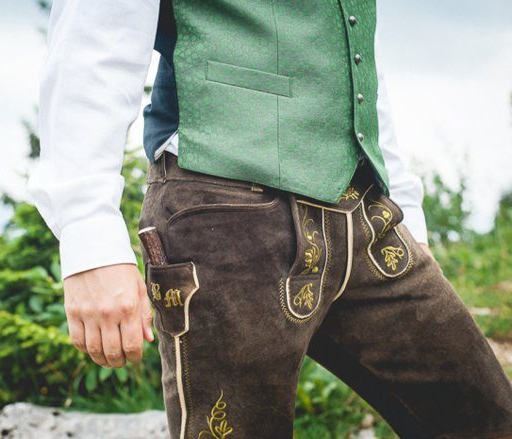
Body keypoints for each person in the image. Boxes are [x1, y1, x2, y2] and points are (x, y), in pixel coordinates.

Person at [27, 0, 512, 437]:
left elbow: (353, 57)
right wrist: (88, 234)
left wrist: (405, 209)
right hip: (224, 217)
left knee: (489, 422)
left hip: (364, 214)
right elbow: (95, 41)